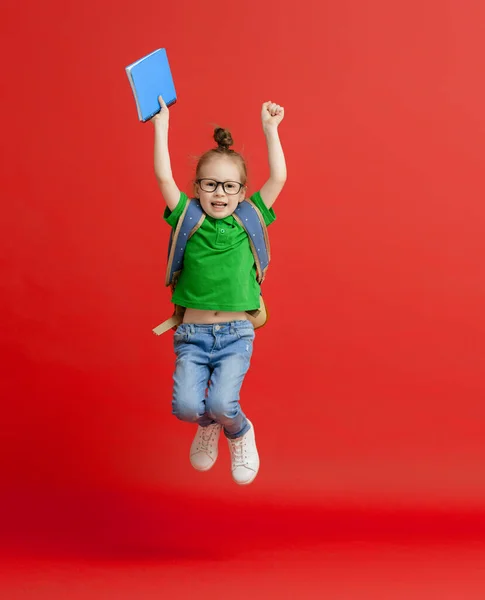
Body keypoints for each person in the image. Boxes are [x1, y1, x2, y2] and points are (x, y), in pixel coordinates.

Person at [152, 96, 286, 485]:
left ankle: (239, 431)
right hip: (191, 335)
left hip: (235, 334)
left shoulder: (251, 216)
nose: (219, 193)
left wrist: (270, 131)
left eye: (229, 186)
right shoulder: (187, 215)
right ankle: (208, 426)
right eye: (210, 184)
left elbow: (278, 178)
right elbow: (163, 178)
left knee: (224, 402)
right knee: (187, 407)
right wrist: (162, 126)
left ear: (243, 191)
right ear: (197, 187)